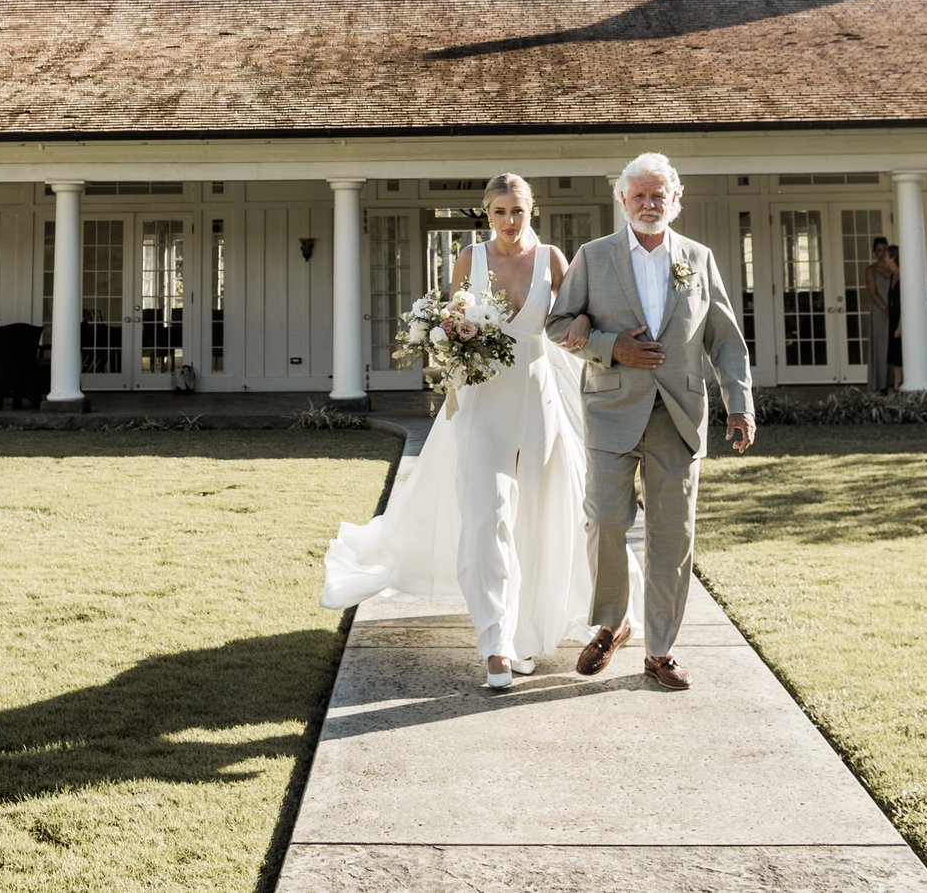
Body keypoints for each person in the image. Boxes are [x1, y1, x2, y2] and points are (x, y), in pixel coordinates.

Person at [320, 174, 611, 689]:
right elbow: (453, 330)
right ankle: (495, 644)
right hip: (483, 403)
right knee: (487, 514)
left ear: (531, 210)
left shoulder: (553, 260)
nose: (510, 221)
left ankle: (525, 636)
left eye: (518, 210)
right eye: (500, 211)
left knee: (539, 517)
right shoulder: (469, 260)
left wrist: (583, 321)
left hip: (539, 400)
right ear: (487, 213)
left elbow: (576, 316)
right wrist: (451, 355)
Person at [545, 151, 755, 692]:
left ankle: (661, 650)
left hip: (679, 416)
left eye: (658, 194)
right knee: (607, 522)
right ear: (622, 200)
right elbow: (558, 323)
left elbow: (725, 339)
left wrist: (740, 403)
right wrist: (610, 346)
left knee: (672, 535)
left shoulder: (699, 258)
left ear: (676, 199)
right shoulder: (593, 257)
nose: (648, 203)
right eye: (638, 194)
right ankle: (612, 625)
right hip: (611, 409)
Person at [863, 235, 900, 394]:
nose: (882, 253)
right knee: (880, 348)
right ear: (874, 252)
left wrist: (894, 313)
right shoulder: (871, 269)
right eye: (879, 250)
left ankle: (896, 383)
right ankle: (880, 385)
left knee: (894, 348)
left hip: (895, 312)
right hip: (880, 312)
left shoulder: (895, 269)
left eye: (885, 250)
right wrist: (886, 310)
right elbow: (872, 293)